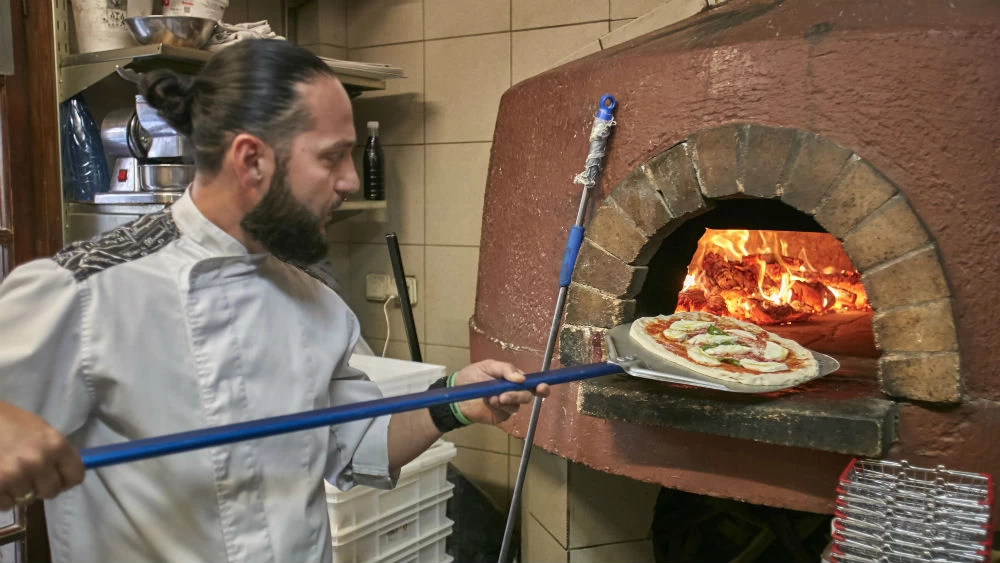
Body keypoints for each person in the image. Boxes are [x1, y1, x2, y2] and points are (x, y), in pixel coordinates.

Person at [0, 39, 548, 563]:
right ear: (251, 160)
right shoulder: (86, 290)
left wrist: (453, 402)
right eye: (333, 158)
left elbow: (356, 442)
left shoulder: (317, 301)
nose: (351, 181)